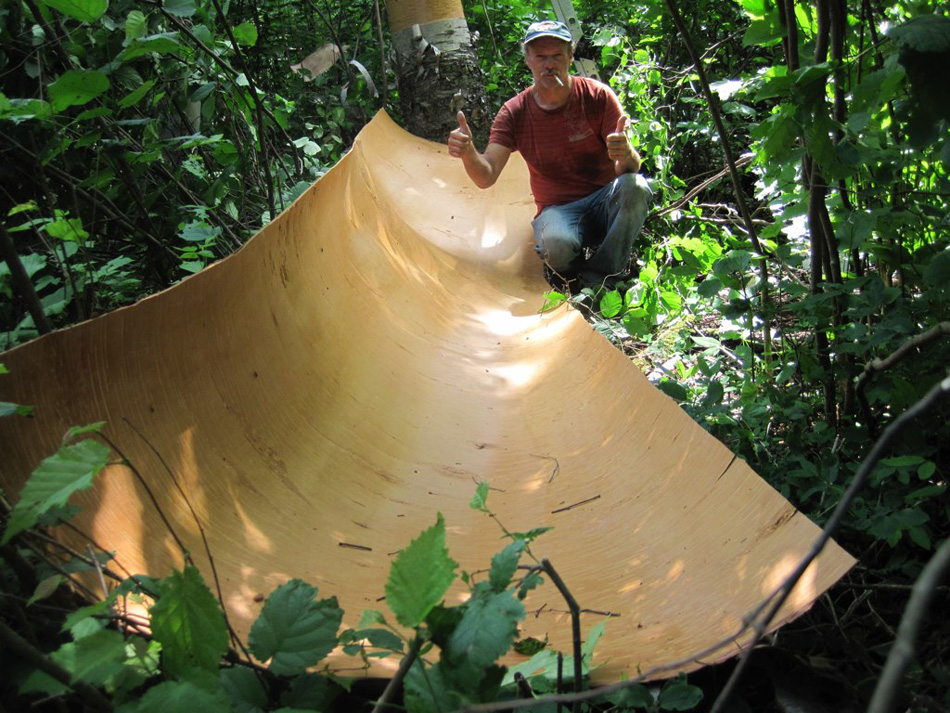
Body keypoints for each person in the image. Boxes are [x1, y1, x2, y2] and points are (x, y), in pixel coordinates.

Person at [448, 20, 653, 291]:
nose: (549, 64)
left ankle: (603, 277)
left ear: (570, 56)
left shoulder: (597, 96)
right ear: (528, 60)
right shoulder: (514, 112)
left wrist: (625, 151)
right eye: (541, 57)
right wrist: (468, 153)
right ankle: (569, 279)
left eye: (557, 55)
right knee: (555, 245)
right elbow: (486, 175)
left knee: (636, 186)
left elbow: (628, 169)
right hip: (558, 209)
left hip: (605, 200)